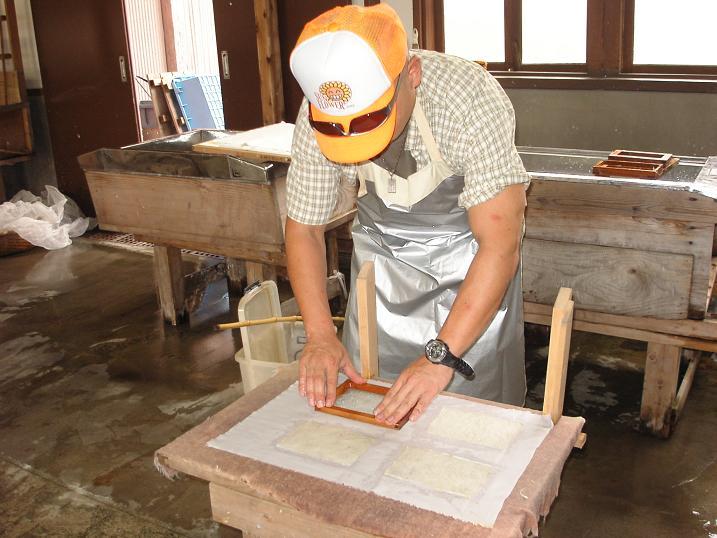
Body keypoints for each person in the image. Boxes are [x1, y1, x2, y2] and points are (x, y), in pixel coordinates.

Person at [285, 4, 530, 426]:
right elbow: (304, 228)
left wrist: (442, 356)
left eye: (371, 121)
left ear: (411, 75)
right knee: (371, 417)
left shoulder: (468, 99)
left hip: (471, 277)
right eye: (340, 130)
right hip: (380, 280)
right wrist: (321, 335)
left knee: (470, 429)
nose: (359, 140)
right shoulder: (321, 109)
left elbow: (499, 245)